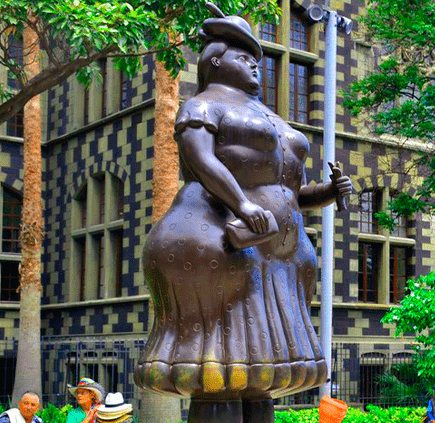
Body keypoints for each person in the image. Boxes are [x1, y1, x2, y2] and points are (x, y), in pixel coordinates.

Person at [133, 4, 352, 421]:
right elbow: (200, 159)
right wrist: (243, 204)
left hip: (278, 256)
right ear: (215, 62)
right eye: (243, 58)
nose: (255, 66)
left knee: (261, 376)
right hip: (218, 241)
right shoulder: (203, 106)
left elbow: (291, 192)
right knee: (219, 368)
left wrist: (327, 192)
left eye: (256, 60)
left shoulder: (271, 117)